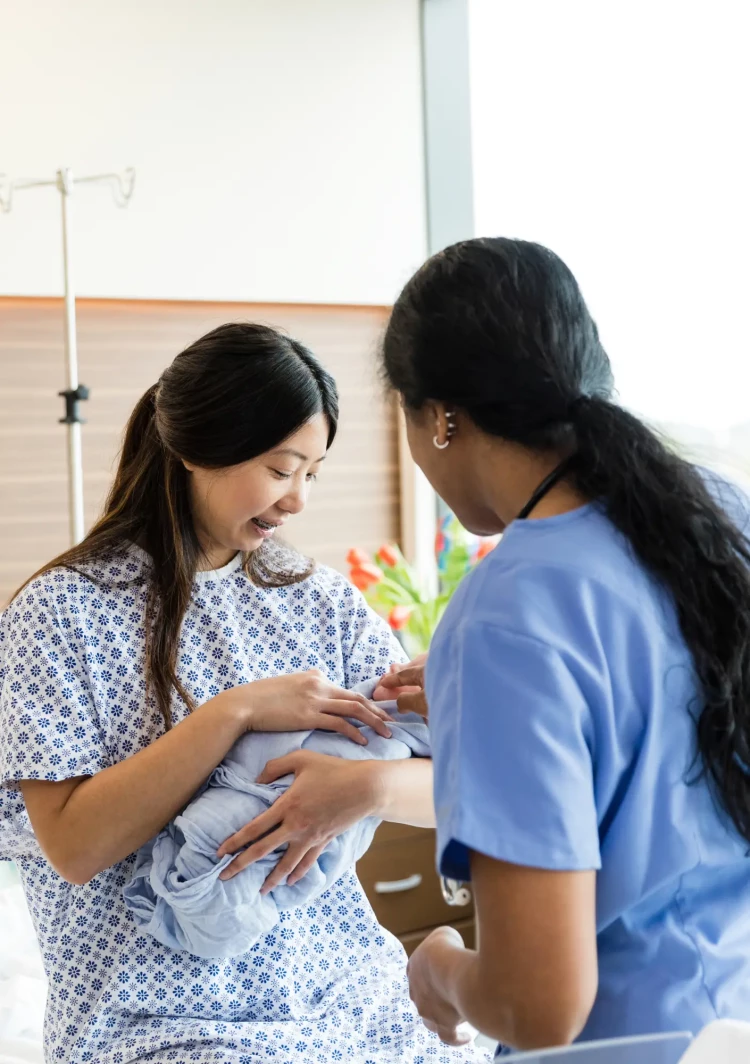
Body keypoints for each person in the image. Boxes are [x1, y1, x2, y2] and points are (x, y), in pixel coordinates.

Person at [0, 323, 489, 1064]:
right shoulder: (61, 612)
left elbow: (459, 788)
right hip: (154, 1022)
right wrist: (236, 713)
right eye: (280, 467)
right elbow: (72, 846)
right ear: (200, 447)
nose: (296, 500)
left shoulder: (321, 600)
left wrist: (368, 789)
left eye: (313, 474)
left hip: (346, 994)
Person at [377, 238, 750, 1053]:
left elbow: (537, 1004)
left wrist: (438, 964)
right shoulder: (724, 519)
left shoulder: (505, 615)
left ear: (439, 417)